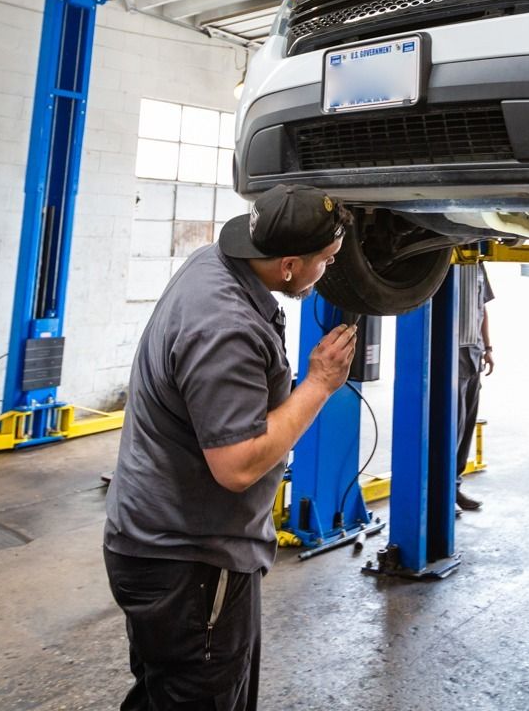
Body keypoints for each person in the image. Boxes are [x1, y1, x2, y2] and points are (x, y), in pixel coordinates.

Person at [103, 183, 357, 711]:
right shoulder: (226, 328)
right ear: (288, 265)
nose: (328, 270)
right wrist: (318, 385)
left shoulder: (212, 263)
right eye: (326, 261)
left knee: (166, 694)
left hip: (162, 542)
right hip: (189, 561)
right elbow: (238, 466)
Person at [455, 261, 494, 512]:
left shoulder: (478, 264)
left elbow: (483, 309)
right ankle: (441, 488)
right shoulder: (444, 262)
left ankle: (454, 487)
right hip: (452, 350)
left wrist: (488, 348)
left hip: (474, 352)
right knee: (452, 424)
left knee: (467, 423)